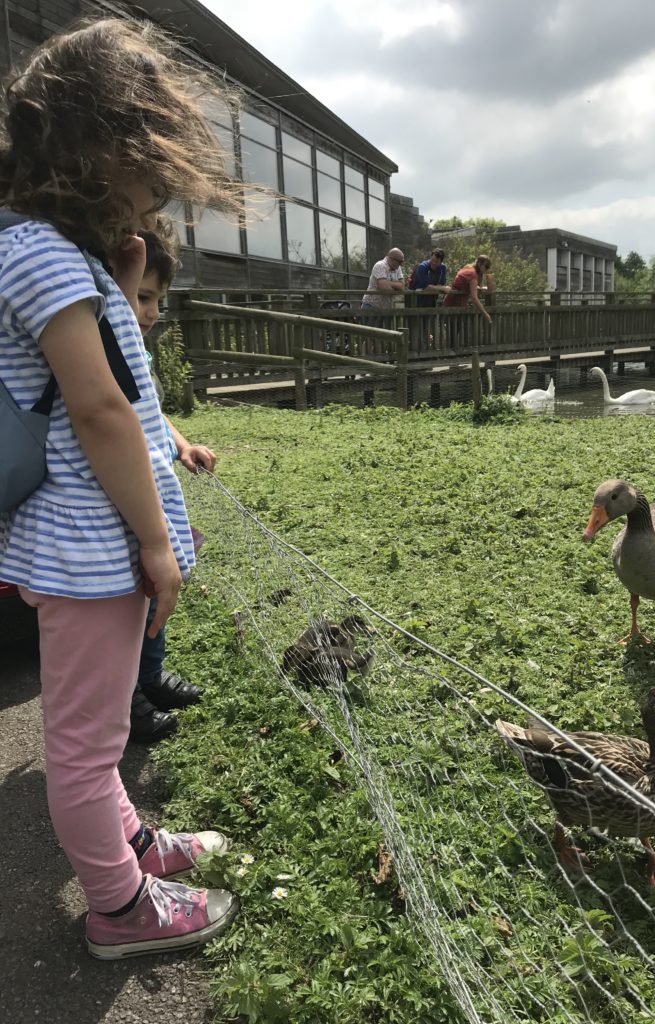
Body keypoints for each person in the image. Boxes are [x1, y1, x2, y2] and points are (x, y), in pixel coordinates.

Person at [0, 17, 246, 959]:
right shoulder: (39, 255)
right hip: (91, 548)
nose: (161, 191)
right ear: (96, 148)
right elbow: (100, 411)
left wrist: (123, 277)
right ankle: (119, 907)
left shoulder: (55, 254)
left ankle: (131, 842)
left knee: (95, 732)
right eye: (148, 167)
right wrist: (153, 541)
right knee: (83, 745)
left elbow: (120, 386)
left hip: (90, 542)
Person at [129, 226, 214, 744]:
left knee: (158, 593)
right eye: (142, 297)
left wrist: (182, 445)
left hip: (154, 492)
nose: (153, 311)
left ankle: (150, 676)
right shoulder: (100, 349)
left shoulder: (139, 352)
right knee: (129, 601)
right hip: (127, 497)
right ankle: (127, 698)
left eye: (158, 300)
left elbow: (153, 413)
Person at [443, 255, 493, 325]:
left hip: (457, 306)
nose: (487, 269)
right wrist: (486, 314)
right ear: (479, 264)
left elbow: (469, 286)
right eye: (486, 266)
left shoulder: (469, 268)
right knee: (453, 329)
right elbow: (474, 298)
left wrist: (481, 288)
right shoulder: (472, 274)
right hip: (453, 306)